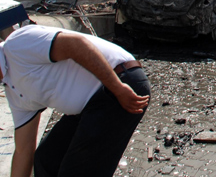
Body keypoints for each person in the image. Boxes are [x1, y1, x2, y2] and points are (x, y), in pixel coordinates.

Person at [1, 24, 151, 177]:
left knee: (76, 171)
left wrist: (118, 88)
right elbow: (23, 151)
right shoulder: (14, 91)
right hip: (90, 106)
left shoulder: (17, 45)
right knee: (47, 160)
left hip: (120, 84)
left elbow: (76, 44)